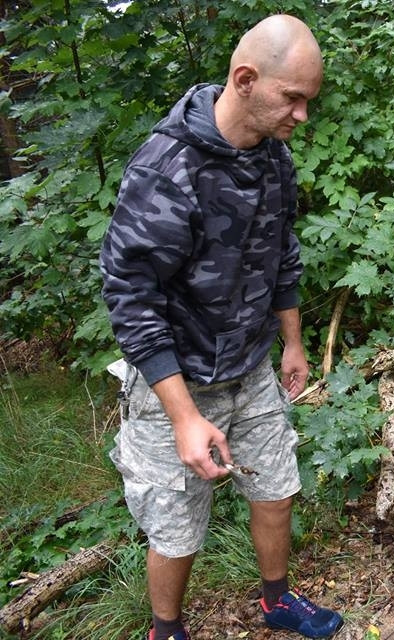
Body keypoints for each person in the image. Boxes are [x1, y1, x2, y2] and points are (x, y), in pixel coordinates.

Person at [99, 15, 342, 640]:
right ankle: (166, 629)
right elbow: (131, 298)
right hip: (174, 385)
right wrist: (183, 416)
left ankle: (276, 601)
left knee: (277, 489)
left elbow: (281, 251)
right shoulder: (166, 168)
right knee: (176, 524)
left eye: (307, 102)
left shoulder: (273, 159)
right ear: (245, 80)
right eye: (293, 99)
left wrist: (291, 342)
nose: (301, 116)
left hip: (251, 365)